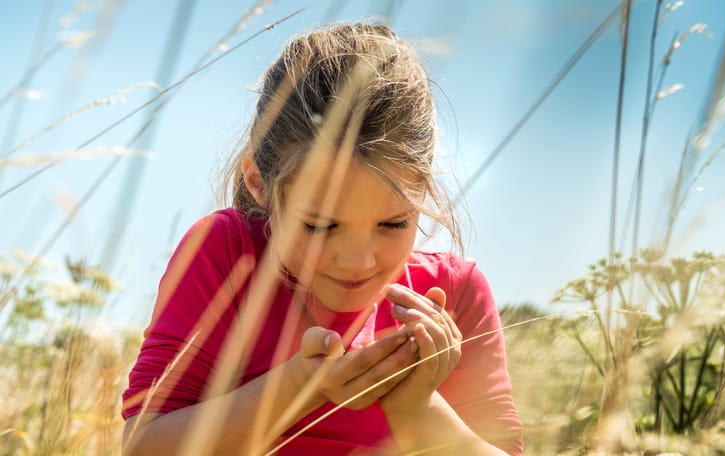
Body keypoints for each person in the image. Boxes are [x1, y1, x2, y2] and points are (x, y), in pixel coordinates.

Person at [121, 22, 523, 455]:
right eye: (320, 226)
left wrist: (417, 407)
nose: (358, 261)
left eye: (393, 224)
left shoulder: (455, 294)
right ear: (258, 181)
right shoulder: (228, 253)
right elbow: (144, 445)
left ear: (423, 189)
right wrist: (301, 384)